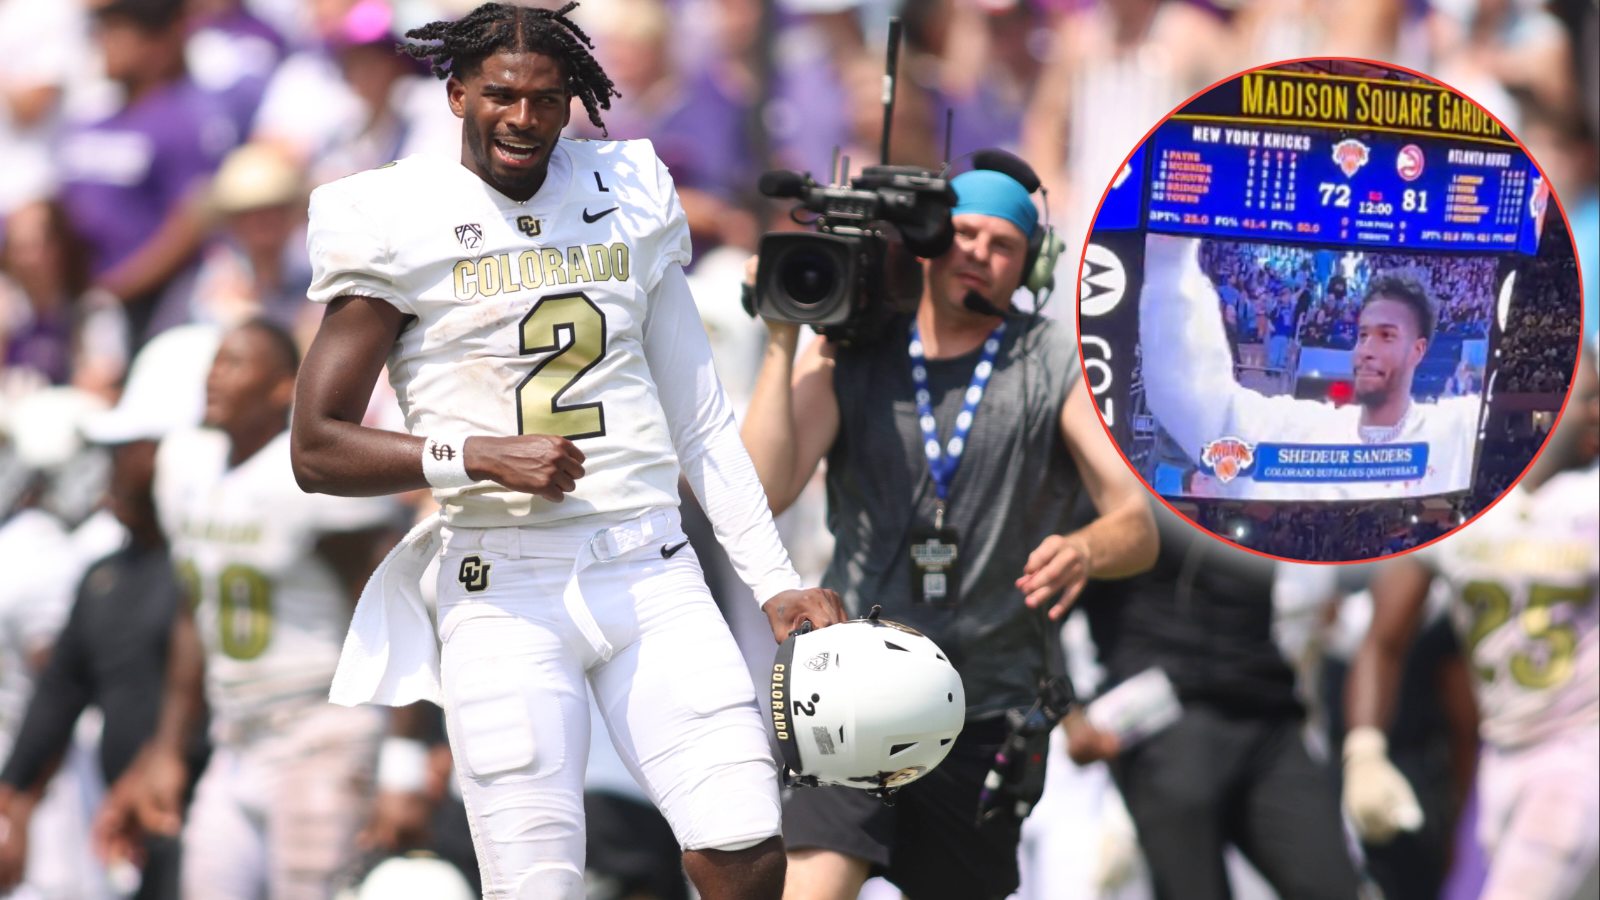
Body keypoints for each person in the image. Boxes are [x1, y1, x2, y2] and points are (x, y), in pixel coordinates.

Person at [287, 4, 845, 898]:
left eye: (546, 100)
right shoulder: (396, 214)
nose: (523, 118)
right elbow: (316, 447)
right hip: (501, 588)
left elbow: (698, 420)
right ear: (458, 91)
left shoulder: (625, 190)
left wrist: (775, 581)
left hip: (649, 564)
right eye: (501, 95)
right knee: (536, 884)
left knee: (745, 847)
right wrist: (474, 455)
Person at [740, 158, 1159, 900]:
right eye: (963, 232)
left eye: (1003, 244)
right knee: (816, 883)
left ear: (1033, 261)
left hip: (987, 706)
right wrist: (782, 339)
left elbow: (1137, 523)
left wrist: (1087, 547)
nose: (979, 254)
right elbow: (764, 489)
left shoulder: (1051, 358)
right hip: (855, 688)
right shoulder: (854, 344)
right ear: (929, 240)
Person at [96, 319, 405, 899]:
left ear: (280, 387)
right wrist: (166, 748)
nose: (215, 375)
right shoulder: (185, 466)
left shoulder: (311, 476)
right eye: (215, 360)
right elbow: (197, 610)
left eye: (235, 363)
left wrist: (404, 755)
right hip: (235, 733)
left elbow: (394, 606)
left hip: (319, 729)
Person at [1343, 346, 1598, 900]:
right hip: (1504, 751)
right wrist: (1362, 752)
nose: (1596, 412)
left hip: (1581, 750)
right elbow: (1384, 640)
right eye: (1584, 397)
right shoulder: (1452, 504)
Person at [0, 324, 221, 900]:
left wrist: (157, 762)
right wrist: (14, 799)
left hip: (207, 821)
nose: (112, 465)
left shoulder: (215, 561)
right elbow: (60, 689)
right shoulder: (107, 572)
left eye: (127, 447)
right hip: (130, 842)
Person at [1063, 500, 1362, 900]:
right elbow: (1041, 606)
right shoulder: (1120, 478)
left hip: (1269, 716)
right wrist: (1070, 716)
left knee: (1334, 887)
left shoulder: (1264, 473)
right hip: (1167, 724)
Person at [1141, 233, 1481, 500]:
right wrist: (1170, 258)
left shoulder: (1451, 430)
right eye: (1362, 335)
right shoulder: (1301, 428)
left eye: (1386, 336)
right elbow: (1193, 400)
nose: (1366, 350)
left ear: (1418, 351)